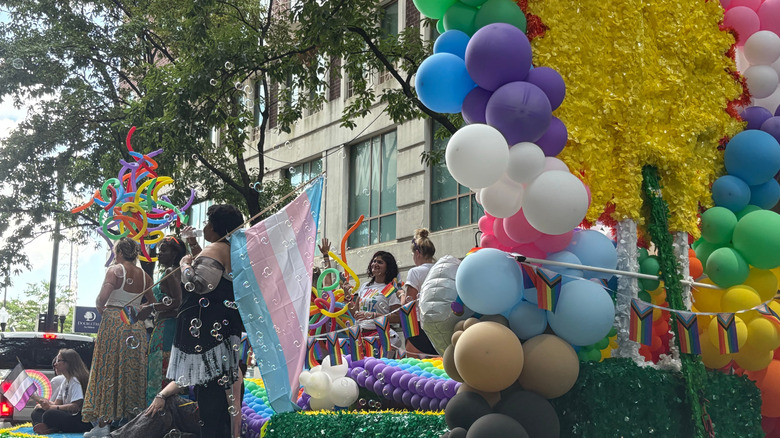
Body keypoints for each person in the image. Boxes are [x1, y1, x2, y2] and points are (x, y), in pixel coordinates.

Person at [168, 204, 245, 438]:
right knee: (220, 394)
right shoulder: (230, 249)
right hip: (221, 330)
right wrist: (192, 245)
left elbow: (200, 284)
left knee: (210, 395)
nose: (204, 226)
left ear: (215, 226)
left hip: (207, 334)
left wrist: (184, 264)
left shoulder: (216, 248)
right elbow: (212, 273)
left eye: (208, 222)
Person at [82, 237, 155, 438]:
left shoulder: (114, 270)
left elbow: (102, 298)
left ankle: (103, 423)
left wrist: (99, 305)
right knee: (132, 370)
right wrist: (139, 312)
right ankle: (133, 421)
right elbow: (153, 304)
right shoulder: (145, 276)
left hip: (114, 321)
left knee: (108, 368)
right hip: (136, 325)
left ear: (119, 253)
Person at [138, 236, 185, 405]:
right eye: (159, 249)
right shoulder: (178, 271)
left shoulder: (169, 272)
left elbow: (178, 301)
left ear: (175, 254)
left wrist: (151, 308)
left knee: (159, 370)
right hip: (172, 327)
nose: (159, 253)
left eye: (164, 250)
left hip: (166, 328)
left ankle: (156, 412)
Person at [108, 381, 200, 438]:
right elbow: (182, 380)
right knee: (165, 403)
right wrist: (161, 396)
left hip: (207, 417)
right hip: (198, 410)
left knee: (169, 404)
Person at [31, 349, 92, 434]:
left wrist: (50, 408)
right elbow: (57, 403)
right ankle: (49, 428)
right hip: (67, 416)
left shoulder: (75, 380)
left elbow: (75, 407)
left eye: (58, 361)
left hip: (79, 420)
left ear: (68, 363)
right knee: (36, 412)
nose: (55, 364)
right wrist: (43, 404)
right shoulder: (65, 381)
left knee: (49, 414)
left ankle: (49, 427)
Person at [353, 251, 403, 354]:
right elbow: (355, 312)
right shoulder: (365, 286)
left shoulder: (390, 289)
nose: (375, 264)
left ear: (388, 267)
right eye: (374, 261)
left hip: (379, 336)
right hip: (360, 336)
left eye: (380, 262)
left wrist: (374, 315)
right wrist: (348, 297)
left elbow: (397, 317)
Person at [402, 228, 439, 355]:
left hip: (418, 325)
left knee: (412, 367)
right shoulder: (440, 269)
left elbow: (408, 304)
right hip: (438, 322)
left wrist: (400, 294)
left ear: (417, 253)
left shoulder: (415, 272)